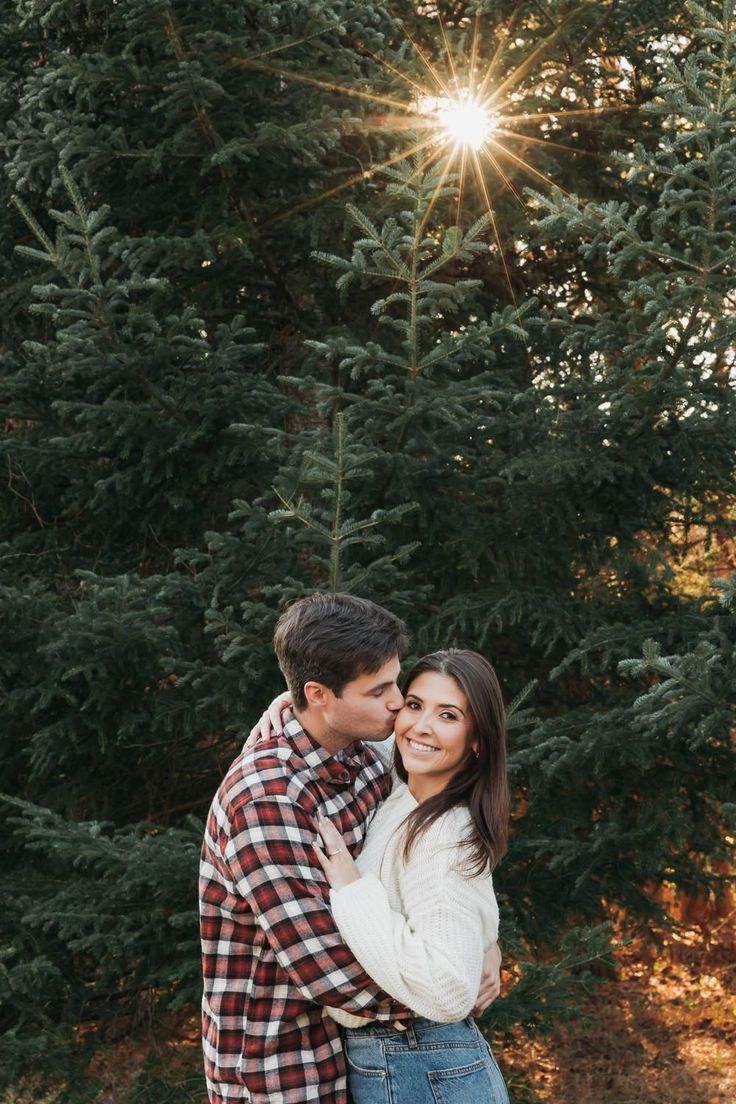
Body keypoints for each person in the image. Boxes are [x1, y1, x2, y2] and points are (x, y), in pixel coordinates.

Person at [199, 593, 500, 1104]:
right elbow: (330, 970)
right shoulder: (267, 798)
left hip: (366, 1062)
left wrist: (478, 942)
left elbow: (440, 870)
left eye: (397, 685)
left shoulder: (367, 758)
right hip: (282, 1070)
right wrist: (451, 982)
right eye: (381, 690)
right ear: (318, 695)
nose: (397, 705)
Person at [262, 648, 510, 1104]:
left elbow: (449, 989)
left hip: (421, 1062)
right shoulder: (405, 787)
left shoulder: (445, 835)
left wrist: (354, 891)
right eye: (414, 705)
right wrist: (287, 702)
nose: (421, 726)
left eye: (449, 715)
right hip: (406, 1059)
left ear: (477, 740)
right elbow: (336, 713)